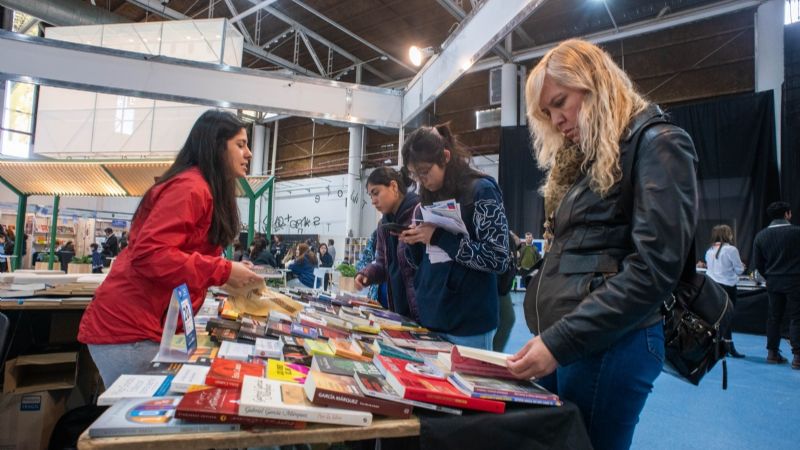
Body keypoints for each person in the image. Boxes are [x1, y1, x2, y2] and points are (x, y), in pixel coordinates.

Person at [506, 39, 697, 450]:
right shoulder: (589, 158)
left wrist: (559, 341)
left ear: (594, 83)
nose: (557, 119)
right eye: (547, 112)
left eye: (560, 102)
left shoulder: (658, 142)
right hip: (571, 340)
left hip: (611, 345)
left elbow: (653, 270)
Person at [78, 110, 263, 387]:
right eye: (240, 144)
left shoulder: (203, 188)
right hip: (130, 329)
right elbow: (151, 254)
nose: (248, 153)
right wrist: (223, 270)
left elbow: (183, 256)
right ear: (215, 146)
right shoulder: (191, 188)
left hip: (147, 326)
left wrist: (228, 275)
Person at [399, 124, 511, 350]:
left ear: (445, 157)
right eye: (415, 174)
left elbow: (498, 258)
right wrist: (415, 241)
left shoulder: (481, 190)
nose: (421, 180)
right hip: (432, 316)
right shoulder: (427, 197)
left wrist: (439, 237)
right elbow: (421, 262)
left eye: (425, 171)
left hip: (468, 323)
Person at [355, 167, 420, 320]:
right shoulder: (383, 225)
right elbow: (382, 263)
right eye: (371, 196)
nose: (373, 201)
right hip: (398, 310)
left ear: (393, 186)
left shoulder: (419, 213)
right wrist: (367, 274)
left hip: (423, 310)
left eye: (376, 193)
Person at [752, 201, 800, 369]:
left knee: (774, 317)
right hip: (795, 281)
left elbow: (758, 264)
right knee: (797, 317)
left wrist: (770, 277)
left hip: (773, 281)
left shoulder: (761, 236)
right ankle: (798, 357)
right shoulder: (797, 232)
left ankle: (772, 353)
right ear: (787, 214)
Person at [704, 224, 745, 358]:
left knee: (716, 317)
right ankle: (727, 346)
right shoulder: (731, 250)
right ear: (727, 235)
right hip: (727, 287)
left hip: (712, 287)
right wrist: (742, 267)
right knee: (727, 317)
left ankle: (717, 346)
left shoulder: (709, 250)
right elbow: (739, 270)